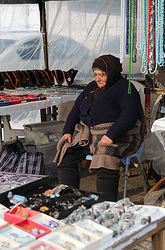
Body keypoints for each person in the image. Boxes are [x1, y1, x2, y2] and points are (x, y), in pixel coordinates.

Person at [54, 54, 144, 202]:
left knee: (105, 156)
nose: (98, 78)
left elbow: (130, 114)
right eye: (95, 74)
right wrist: (67, 131)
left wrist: (111, 135)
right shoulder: (91, 87)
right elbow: (76, 109)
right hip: (88, 135)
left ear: (112, 73)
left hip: (118, 134)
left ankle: (105, 204)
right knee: (66, 152)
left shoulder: (125, 88)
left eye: (102, 75)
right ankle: (69, 199)